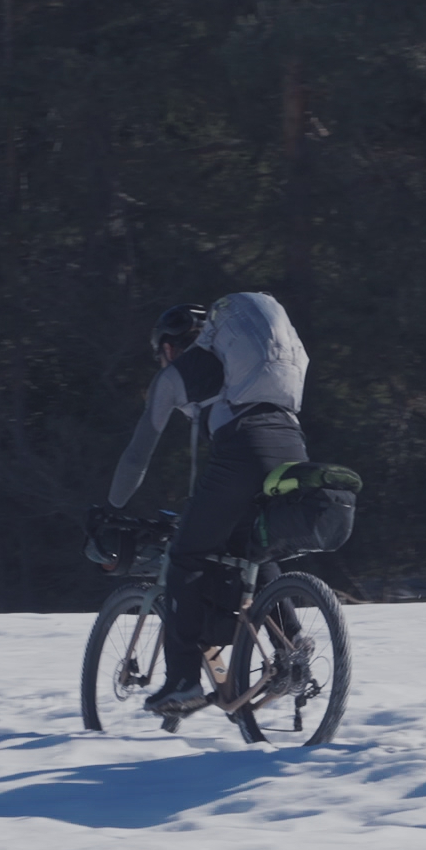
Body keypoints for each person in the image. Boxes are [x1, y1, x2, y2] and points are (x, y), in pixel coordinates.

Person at [104, 299, 310, 713]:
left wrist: (112, 506)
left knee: (185, 555)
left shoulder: (176, 375)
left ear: (168, 348)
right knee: (253, 548)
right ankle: (294, 648)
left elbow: (138, 454)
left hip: (244, 451)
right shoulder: (242, 373)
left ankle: (183, 681)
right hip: (293, 448)